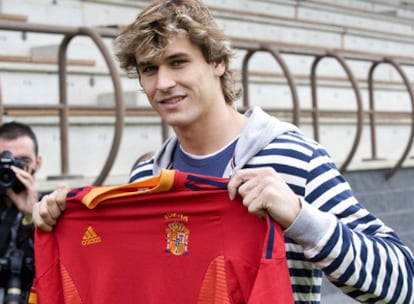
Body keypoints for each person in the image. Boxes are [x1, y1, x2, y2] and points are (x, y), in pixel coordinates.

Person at [32, 0, 414, 303]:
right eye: (148, 70)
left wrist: (301, 218)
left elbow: (403, 284)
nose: (163, 83)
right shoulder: (145, 177)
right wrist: (58, 218)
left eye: (178, 62)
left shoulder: (297, 161)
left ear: (218, 62)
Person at [0, 121, 42, 303]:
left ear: (38, 163)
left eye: (22, 162)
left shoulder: (51, 206)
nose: (14, 171)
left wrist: (32, 216)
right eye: (5, 162)